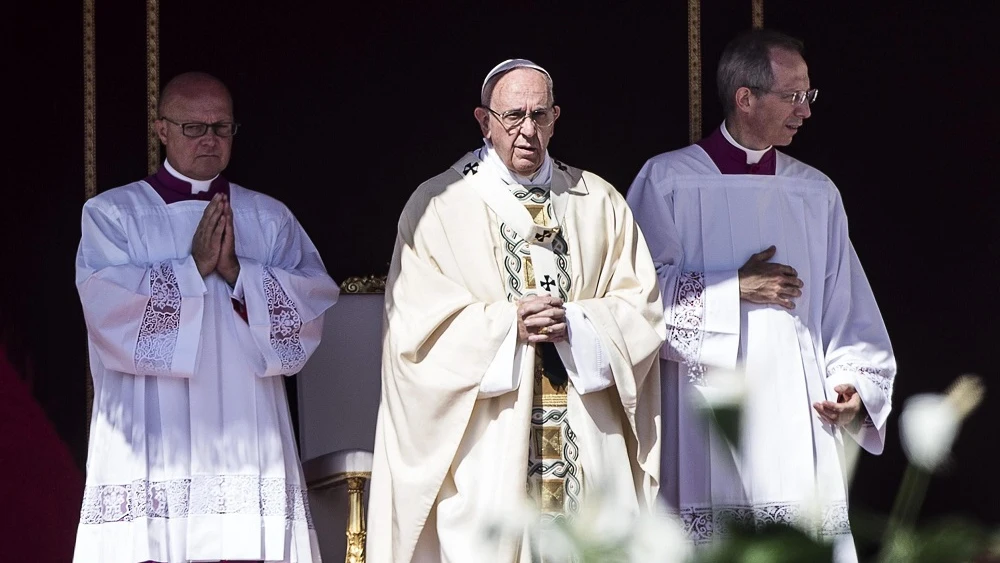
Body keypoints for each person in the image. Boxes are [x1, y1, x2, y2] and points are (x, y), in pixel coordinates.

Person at [366, 59, 665, 562]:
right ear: (484, 120)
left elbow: (642, 310)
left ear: (556, 119)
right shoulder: (439, 206)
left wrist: (578, 325)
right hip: (491, 450)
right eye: (512, 116)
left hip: (587, 446)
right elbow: (413, 335)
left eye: (540, 115)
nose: (528, 130)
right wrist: (509, 326)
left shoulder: (599, 202)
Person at [626, 29, 896, 562]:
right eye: (793, 96)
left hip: (799, 418)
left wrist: (851, 387)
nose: (806, 111)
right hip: (703, 415)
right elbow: (636, 303)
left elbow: (845, 308)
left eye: (808, 96)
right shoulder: (667, 182)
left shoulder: (814, 193)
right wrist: (734, 288)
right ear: (745, 98)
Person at [73, 71, 340, 563]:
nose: (210, 139)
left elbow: (310, 308)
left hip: (246, 418)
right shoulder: (113, 214)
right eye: (194, 128)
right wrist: (191, 270)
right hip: (152, 426)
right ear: (162, 130)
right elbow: (106, 310)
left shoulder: (268, 217)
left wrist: (241, 273)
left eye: (221, 127)